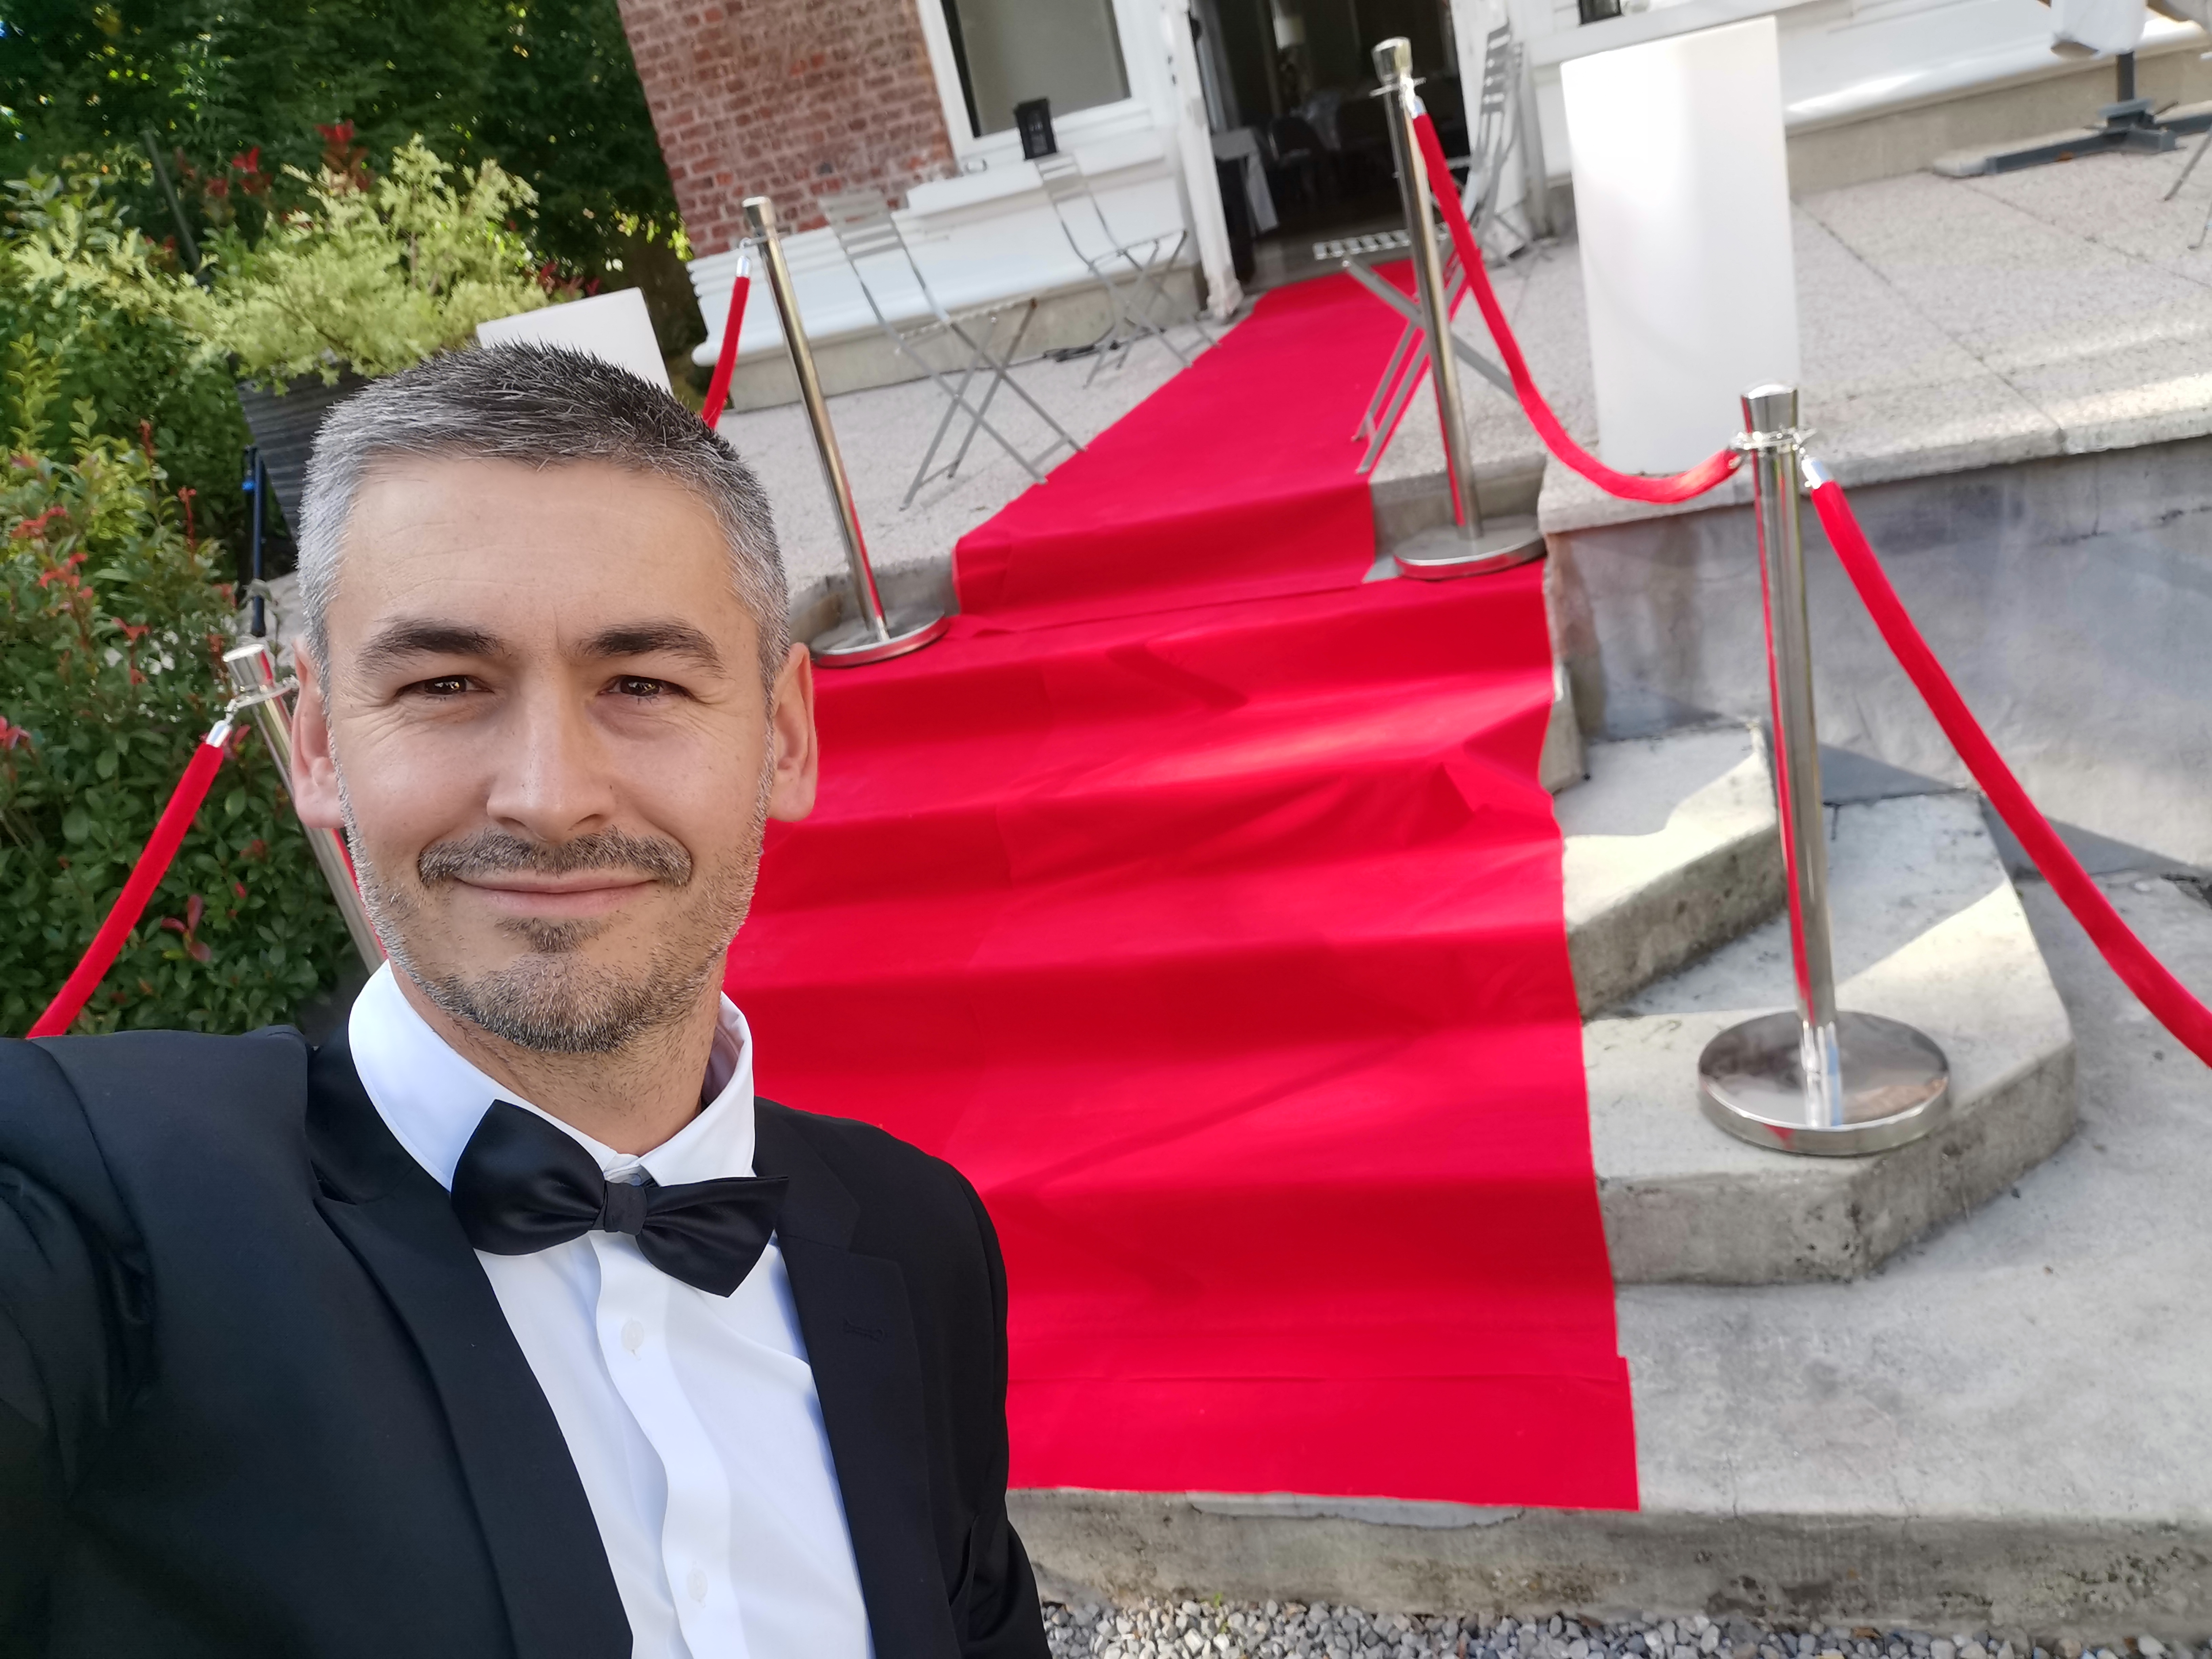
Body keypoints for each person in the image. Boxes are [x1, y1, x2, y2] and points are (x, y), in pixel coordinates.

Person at [0, 346, 1049, 1659]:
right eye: (446, 686)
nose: (550, 798)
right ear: (317, 743)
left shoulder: (920, 1239)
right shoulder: (91, 1205)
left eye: (643, 684)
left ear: (785, 736)